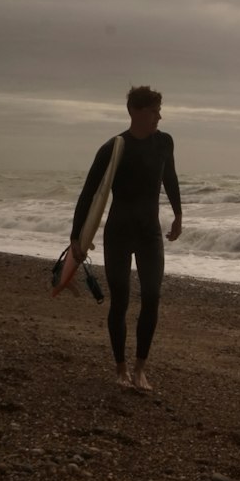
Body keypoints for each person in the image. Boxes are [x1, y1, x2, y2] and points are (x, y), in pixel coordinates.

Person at [70, 85, 182, 392]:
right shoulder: (114, 147)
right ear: (136, 111)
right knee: (119, 301)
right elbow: (90, 193)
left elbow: (169, 178)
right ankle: (120, 368)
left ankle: (140, 368)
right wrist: (76, 238)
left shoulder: (164, 143)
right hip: (118, 233)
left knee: (152, 297)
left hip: (149, 233)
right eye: (153, 111)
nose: (159, 116)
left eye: (159, 110)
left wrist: (178, 214)